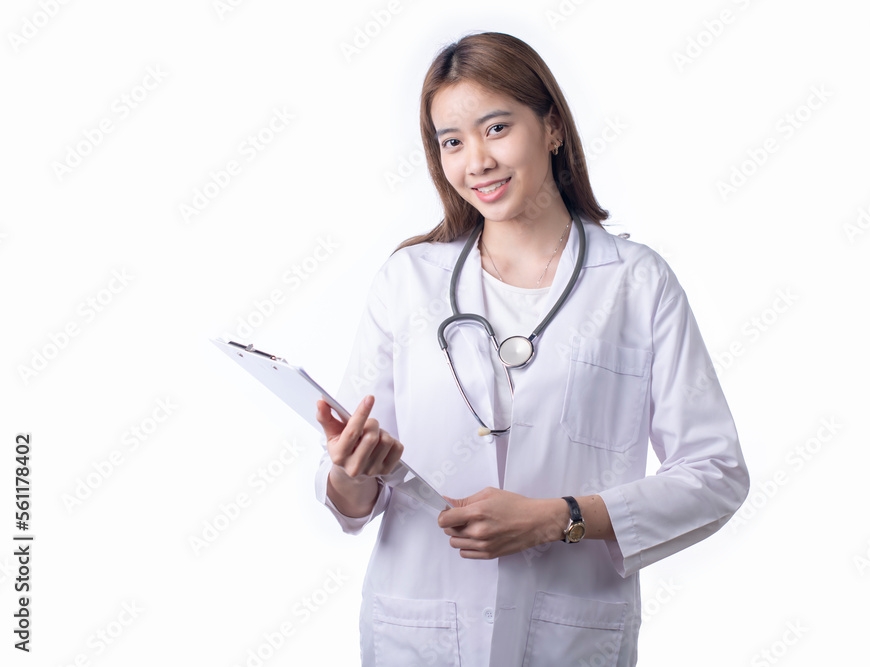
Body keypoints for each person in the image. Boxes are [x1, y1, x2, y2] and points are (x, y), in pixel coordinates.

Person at [313, 31, 750, 666]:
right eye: (452, 142)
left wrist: (563, 517)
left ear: (551, 129)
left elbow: (715, 475)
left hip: (569, 636)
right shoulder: (409, 281)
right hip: (421, 631)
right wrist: (350, 471)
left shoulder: (635, 282)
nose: (476, 161)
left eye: (496, 128)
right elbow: (353, 504)